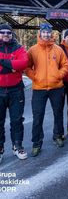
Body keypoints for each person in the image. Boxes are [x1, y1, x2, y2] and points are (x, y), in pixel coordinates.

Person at [25, 23, 68, 157]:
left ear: (51, 33)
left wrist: (58, 75)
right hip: (39, 88)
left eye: (48, 32)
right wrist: (35, 77)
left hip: (56, 88)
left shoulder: (58, 49)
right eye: (43, 32)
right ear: (40, 33)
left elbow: (65, 65)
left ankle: (58, 136)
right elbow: (26, 67)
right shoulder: (32, 50)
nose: (46, 34)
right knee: (38, 116)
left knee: (58, 113)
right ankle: (37, 143)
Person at [0, 24, 28, 163]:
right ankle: (0, 148)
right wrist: (11, 66)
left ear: (12, 34)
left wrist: (2, 64)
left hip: (16, 90)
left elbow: (23, 63)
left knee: (16, 120)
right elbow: (16, 65)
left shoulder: (19, 48)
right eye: (3, 32)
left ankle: (17, 145)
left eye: (9, 32)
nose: (6, 34)